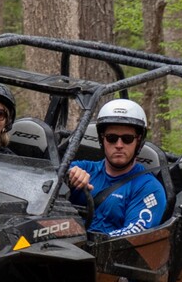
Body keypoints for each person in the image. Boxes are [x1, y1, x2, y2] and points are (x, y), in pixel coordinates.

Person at [66, 99, 167, 235]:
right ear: (102, 139)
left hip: (104, 254)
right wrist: (68, 175)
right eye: (112, 138)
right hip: (60, 248)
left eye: (127, 139)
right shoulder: (84, 168)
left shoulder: (149, 188)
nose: (119, 145)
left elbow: (133, 236)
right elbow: (50, 177)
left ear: (138, 141)